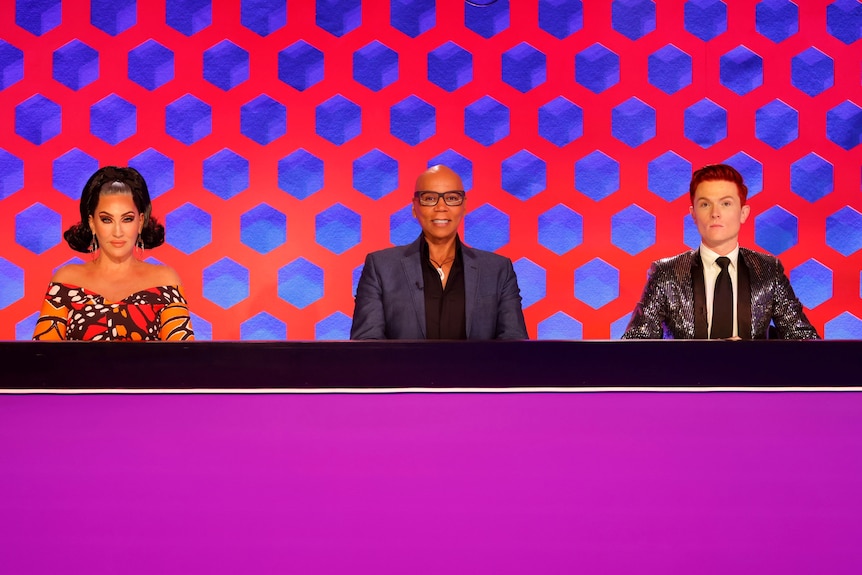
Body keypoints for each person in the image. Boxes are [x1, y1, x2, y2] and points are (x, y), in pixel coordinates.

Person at [622, 163, 819, 340]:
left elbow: (805, 339)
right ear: (693, 214)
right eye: (705, 204)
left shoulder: (768, 270)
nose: (715, 213)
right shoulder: (666, 273)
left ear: (743, 213)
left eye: (726, 203)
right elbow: (636, 344)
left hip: (751, 378)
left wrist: (755, 356)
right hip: (688, 379)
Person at [351, 164, 528, 340]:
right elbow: (367, 347)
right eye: (429, 198)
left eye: (452, 198)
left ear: (464, 206)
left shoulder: (498, 270)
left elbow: (514, 347)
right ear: (414, 207)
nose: (441, 207)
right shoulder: (381, 267)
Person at [32, 166, 194, 341]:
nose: (118, 232)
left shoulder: (165, 281)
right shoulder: (66, 280)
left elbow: (183, 362)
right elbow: (42, 361)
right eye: (106, 219)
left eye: (127, 219)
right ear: (92, 223)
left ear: (140, 222)